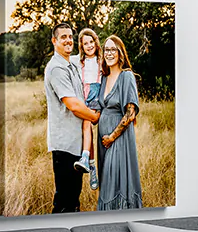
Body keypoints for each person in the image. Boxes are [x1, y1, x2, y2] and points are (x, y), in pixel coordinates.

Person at [44, 23, 100, 213]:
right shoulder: (57, 69)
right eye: (63, 37)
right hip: (64, 145)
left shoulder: (72, 64)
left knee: (73, 201)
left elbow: (90, 57)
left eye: (70, 36)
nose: (68, 40)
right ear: (54, 41)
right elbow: (74, 105)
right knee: (64, 202)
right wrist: (94, 116)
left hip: (75, 144)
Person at [95, 35, 143, 210]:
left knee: (113, 186)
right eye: (106, 50)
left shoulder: (126, 76)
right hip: (103, 143)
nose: (109, 53)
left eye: (112, 49)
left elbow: (130, 114)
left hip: (118, 140)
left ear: (120, 52)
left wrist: (111, 137)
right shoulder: (103, 79)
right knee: (106, 183)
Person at [70, 28, 103, 190]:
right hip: (85, 98)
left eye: (91, 42)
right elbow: (65, 58)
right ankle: (91, 166)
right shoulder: (79, 61)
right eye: (85, 44)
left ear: (96, 43)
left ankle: (87, 160)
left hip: (98, 99)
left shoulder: (102, 60)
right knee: (86, 126)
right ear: (81, 47)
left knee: (88, 126)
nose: (89, 45)